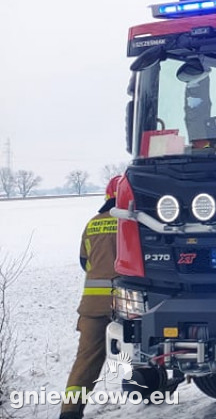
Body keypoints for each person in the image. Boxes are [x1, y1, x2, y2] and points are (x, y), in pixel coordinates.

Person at [60, 176, 121, 419]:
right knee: (143, 348)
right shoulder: (136, 223)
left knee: (85, 360)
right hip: (129, 303)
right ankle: (148, 387)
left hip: (92, 306)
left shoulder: (93, 223)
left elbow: (84, 262)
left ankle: (70, 411)